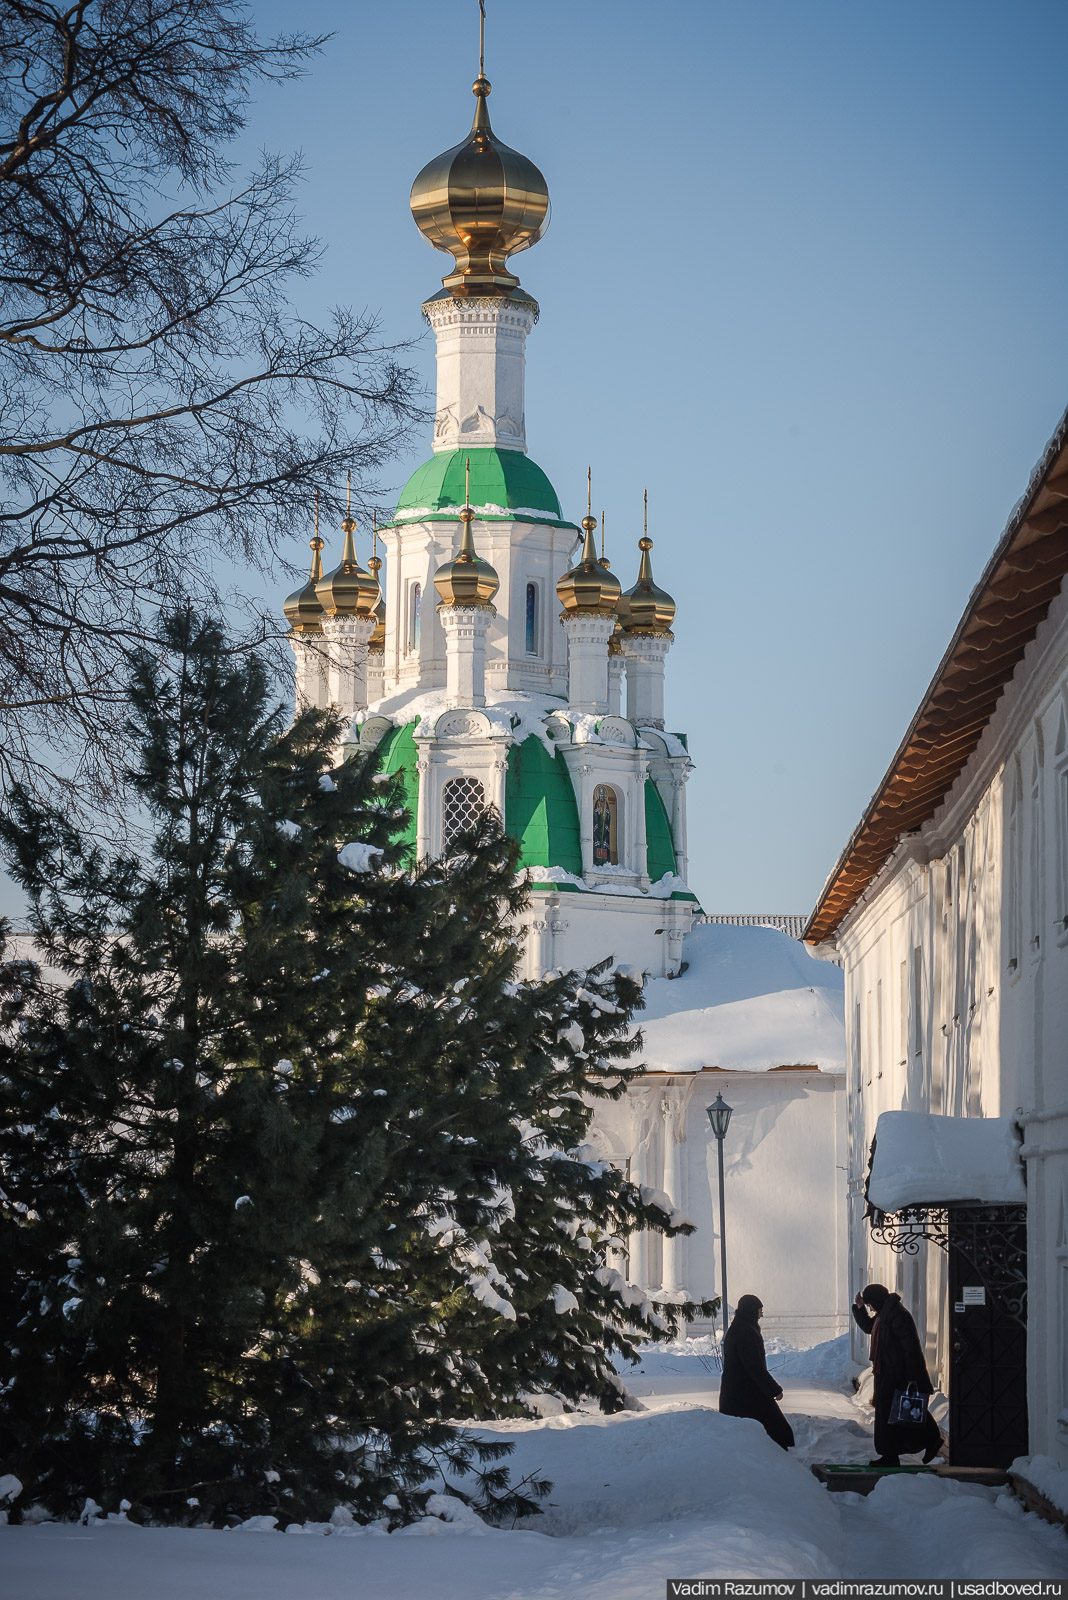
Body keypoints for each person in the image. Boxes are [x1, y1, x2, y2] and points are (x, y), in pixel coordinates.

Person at [851, 1283, 943, 1467]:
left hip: (897, 1373)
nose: (870, 1308)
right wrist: (860, 1308)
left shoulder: (897, 1315)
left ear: (877, 1300)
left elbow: (910, 1347)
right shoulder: (884, 1314)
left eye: (870, 1304)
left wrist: (912, 1374)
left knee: (905, 1410)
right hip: (885, 1372)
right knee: (893, 1413)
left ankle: (928, 1441)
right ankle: (891, 1454)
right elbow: (870, 1327)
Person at [718, 1294, 795, 1450]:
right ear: (752, 1311)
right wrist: (774, 1389)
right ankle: (777, 1463)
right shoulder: (744, 1331)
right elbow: (754, 1366)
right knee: (776, 1429)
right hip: (746, 1393)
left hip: (744, 1393)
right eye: (760, 1310)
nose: (762, 1314)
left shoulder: (742, 1328)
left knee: (763, 1430)